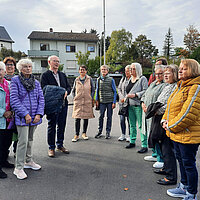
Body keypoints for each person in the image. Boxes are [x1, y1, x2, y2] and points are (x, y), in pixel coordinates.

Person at [162, 59, 200, 200]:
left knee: (188, 164)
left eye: (184, 69)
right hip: (177, 133)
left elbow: (188, 113)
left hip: (188, 134)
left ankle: (191, 193)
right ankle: (183, 187)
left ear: (193, 70)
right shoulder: (181, 86)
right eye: (180, 69)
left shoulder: (195, 87)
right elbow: (170, 106)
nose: (180, 71)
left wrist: (170, 126)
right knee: (182, 161)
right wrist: (164, 120)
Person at [10, 59, 44, 180]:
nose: (28, 68)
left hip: (34, 117)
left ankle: (28, 161)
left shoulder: (36, 82)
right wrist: (25, 114)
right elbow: (14, 99)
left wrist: (39, 114)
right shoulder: (15, 81)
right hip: (22, 117)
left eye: (30, 66)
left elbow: (41, 98)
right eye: (25, 66)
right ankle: (18, 167)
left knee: (30, 140)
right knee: (22, 141)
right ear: (20, 68)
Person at [147, 65, 178, 185]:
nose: (165, 75)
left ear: (174, 74)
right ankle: (166, 168)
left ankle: (171, 176)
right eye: (164, 73)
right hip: (160, 118)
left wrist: (156, 110)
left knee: (168, 149)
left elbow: (170, 105)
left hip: (166, 120)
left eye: (168, 73)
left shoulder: (175, 87)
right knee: (162, 146)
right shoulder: (168, 86)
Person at [41, 55, 71, 157]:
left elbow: (68, 87)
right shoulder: (45, 75)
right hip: (52, 105)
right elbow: (44, 89)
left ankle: (60, 145)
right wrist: (59, 93)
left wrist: (66, 92)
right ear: (49, 62)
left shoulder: (62, 75)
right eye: (54, 61)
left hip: (63, 104)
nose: (57, 63)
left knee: (61, 125)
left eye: (58, 61)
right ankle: (51, 147)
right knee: (52, 126)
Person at [141, 65, 166, 168]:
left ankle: (161, 158)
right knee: (150, 135)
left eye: (161, 73)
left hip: (156, 114)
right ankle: (155, 154)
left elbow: (161, 101)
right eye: (157, 73)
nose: (158, 75)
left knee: (156, 136)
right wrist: (143, 103)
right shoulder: (152, 83)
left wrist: (151, 109)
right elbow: (145, 94)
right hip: (147, 113)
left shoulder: (165, 85)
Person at [125, 63, 148, 153]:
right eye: (130, 69)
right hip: (130, 105)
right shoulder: (130, 79)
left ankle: (144, 145)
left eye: (133, 69)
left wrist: (135, 95)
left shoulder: (142, 79)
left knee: (141, 125)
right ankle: (132, 141)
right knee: (132, 125)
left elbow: (146, 91)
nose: (131, 71)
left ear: (138, 69)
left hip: (138, 105)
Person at [71, 65, 95, 142]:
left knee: (86, 117)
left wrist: (91, 97)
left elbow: (93, 89)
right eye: (81, 70)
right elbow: (73, 90)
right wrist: (75, 97)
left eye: (83, 70)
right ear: (79, 71)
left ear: (86, 71)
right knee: (77, 118)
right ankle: (76, 134)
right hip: (78, 101)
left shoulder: (89, 79)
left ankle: (84, 133)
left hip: (87, 101)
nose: (82, 71)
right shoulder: (76, 80)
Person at [0, 62, 14, 179]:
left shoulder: (9, 84)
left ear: (5, 72)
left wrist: (12, 112)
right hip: (1, 118)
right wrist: (2, 112)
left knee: (6, 142)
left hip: (9, 119)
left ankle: (3, 161)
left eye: (1, 70)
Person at [95, 65, 117, 139]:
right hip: (102, 101)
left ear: (107, 71)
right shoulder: (98, 79)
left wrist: (114, 102)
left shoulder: (111, 80)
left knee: (109, 117)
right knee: (101, 116)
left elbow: (115, 91)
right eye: (102, 70)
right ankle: (99, 131)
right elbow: (97, 90)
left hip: (110, 101)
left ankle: (108, 132)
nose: (103, 71)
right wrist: (96, 100)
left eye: (105, 69)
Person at [3, 57, 18, 156]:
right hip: (5, 111)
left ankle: (17, 151)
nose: (10, 67)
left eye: (12, 65)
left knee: (18, 133)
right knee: (6, 135)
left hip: (16, 110)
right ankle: (5, 152)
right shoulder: (2, 79)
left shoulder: (18, 79)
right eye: (7, 65)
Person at [117, 65, 131, 142]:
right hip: (121, 103)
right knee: (122, 119)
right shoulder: (123, 79)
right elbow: (119, 88)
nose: (126, 72)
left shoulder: (132, 80)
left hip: (129, 103)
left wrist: (126, 97)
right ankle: (123, 134)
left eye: (128, 71)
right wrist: (121, 96)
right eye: (125, 71)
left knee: (129, 120)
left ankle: (130, 135)